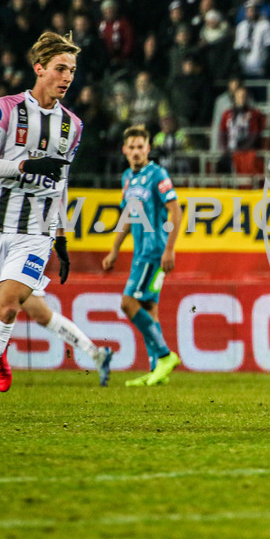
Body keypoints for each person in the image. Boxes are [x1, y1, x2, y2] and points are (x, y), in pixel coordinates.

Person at [0, 31, 84, 421]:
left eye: (72, 70)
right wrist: (26, 164)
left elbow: (62, 183)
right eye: (60, 68)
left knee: (7, 311)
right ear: (39, 69)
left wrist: (61, 236)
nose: (67, 76)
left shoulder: (72, 125)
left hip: (35, 232)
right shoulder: (5, 109)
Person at [0, 162, 112, 387]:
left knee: (33, 312)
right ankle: (96, 353)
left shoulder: (13, 178)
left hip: (19, 249)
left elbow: (54, 200)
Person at [101, 125, 183, 386]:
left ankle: (164, 355)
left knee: (128, 303)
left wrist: (169, 248)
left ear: (148, 148)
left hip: (154, 251)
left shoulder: (157, 174)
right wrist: (114, 249)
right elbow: (127, 216)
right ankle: (156, 370)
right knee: (149, 308)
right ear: (125, 150)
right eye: (132, 148)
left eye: (140, 147)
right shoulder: (127, 177)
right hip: (141, 252)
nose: (136, 152)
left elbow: (176, 211)